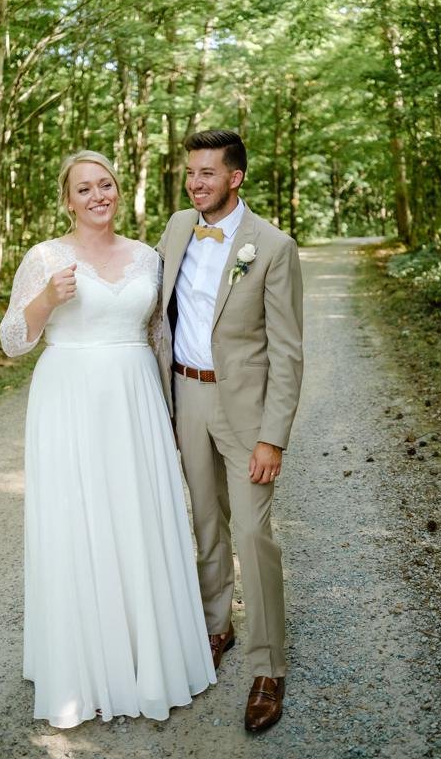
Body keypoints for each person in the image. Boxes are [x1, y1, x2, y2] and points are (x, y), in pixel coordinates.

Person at [0, 151, 215, 730]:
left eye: (107, 184)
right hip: (69, 398)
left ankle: (150, 660)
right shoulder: (44, 257)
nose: (99, 195)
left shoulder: (148, 257)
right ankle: (83, 667)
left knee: (137, 517)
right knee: (79, 521)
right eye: (85, 188)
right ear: (67, 200)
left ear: (119, 191)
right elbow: (13, 340)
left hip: (136, 397)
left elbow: (160, 336)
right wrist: (47, 298)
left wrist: (173, 412)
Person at [155, 129, 305, 738]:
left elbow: (288, 352)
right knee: (206, 523)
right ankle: (216, 627)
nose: (196, 183)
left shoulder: (271, 246)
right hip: (185, 394)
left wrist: (274, 436)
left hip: (246, 411)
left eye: (208, 173)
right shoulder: (173, 229)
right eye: (191, 172)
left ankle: (269, 667)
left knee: (251, 529)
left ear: (235, 178)